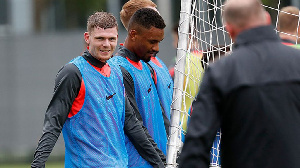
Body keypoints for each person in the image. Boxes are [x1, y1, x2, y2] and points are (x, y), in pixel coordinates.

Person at [31, 11, 164, 167]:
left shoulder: (117, 73)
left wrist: (160, 163)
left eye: (111, 39)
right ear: (87, 38)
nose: (106, 44)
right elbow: (53, 124)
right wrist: (37, 165)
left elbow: (132, 124)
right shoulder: (73, 73)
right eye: (100, 38)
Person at [179, 0, 300, 167]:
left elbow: (196, 146)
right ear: (266, 18)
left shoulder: (221, 72)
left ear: (229, 29)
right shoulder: (296, 62)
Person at [110, 8, 168, 168]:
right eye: (152, 41)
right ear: (133, 34)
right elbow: (134, 125)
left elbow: (161, 115)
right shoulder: (119, 70)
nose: (156, 48)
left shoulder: (147, 66)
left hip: (160, 158)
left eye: (158, 42)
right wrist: (160, 162)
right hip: (140, 163)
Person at [120, 0, 173, 135]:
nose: (158, 19)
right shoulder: (131, 65)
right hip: (155, 146)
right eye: (152, 15)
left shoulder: (156, 61)